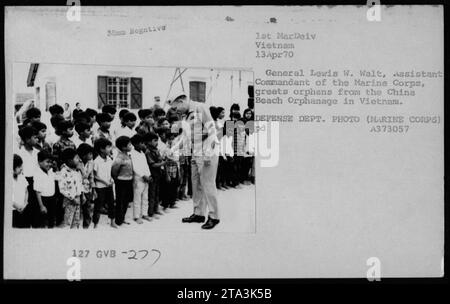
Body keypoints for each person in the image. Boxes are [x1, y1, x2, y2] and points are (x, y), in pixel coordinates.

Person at [170, 94, 220, 229]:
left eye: (175, 108)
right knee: (196, 184)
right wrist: (173, 149)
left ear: (181, 101)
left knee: (208, 184)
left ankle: (214, 216)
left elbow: (212, 130)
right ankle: (198, 214)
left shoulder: (200, 107)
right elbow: (186, 137)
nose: (175, 112)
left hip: (206, 151)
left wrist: (209, 154)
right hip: (195, 151)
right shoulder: (186, 115)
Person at [17, 126, 40, 228]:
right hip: (24, 181)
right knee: (26, 206)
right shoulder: (19, 152)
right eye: (34, 137)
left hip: (36, 181)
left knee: (36, 207)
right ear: (26, 139)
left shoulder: (37, 152)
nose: (37, 139)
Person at [92, 138, 116, 228]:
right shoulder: (96, 161)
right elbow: (94, 176)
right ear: (102, 149)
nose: (110, 149)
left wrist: (111, 179)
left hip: (109, 186)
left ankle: (112, 222)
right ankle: (95, 225)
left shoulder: (109, 159)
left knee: (111, 204)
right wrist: (104, 181)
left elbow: (110, 173)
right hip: (100, 187)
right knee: (98, 206)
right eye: (108, 147)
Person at [111, 136, 134, 226]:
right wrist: (116, 179)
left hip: (129, 180)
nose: (131, 146)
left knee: (126, 201)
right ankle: (118, 220)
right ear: (124, 147)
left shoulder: (127, 155)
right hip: (121, 181)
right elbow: (114, 170)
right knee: (120, 201)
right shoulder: (120, 158)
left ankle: (122, 218)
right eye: (129, 144)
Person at [58, 148, 83, 229]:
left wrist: (83, 195)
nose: (79, 160)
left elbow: (79, 184)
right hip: (69, 201)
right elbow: (62, 189)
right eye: (76, 158)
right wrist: (72, 198)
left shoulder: (77, 171)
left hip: (78, 199)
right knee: (68, 222)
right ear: (69, 160)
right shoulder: (63, 172)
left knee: (76, 222)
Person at [130, 134, 152, 224]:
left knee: (145, 197)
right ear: (135, 144)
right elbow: (135, 167)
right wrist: (143, 175)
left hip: (146, 178)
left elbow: (146, 165)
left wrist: (149, 175)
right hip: (138, 179)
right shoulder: (132, 154)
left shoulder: (142, 153)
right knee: (137, 198)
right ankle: (136, 216)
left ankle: (144, 214)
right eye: (141, 143)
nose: (143, 145)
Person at [144, 132, 165, 219]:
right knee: (151, 194)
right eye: (154, 141)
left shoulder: (156, 150)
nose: (156, 143)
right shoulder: (148, 152)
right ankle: (151, 212)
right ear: (148, 142)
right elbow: (153, 164)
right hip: (152, 175)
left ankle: (156, 209)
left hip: (158, 175)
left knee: (157, 193)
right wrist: (164, 163)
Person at [33, 151, 57, 228]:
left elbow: (57, 177)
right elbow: (37, 191)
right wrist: (41, 206)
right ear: (39, 162)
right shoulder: (38, 174)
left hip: (52, 199)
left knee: (51, 219)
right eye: (47, 162)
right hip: (43, 200)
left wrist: (56, 168)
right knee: (43, 220)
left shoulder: (50, 171)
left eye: (51, 162)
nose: (50, 164)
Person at [77, 143, 96, 229]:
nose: (92, 155)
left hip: (87, 189)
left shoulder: (91, 163)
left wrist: (93, 189)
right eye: (90, 154)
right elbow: (77, 179)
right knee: (77, 211)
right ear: (84, 155)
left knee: (88, 210)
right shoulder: (77, 163)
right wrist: (82, 193)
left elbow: (91, 176)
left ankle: (86, 227)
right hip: (78, 190)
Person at [13, 154, 30, 228]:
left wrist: (25, 202)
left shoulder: (21, 177)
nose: (21, 168)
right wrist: (16, 206)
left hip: (24, 208)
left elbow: (26, 191)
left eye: (21, 166)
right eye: (19, 166)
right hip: (13, 211)